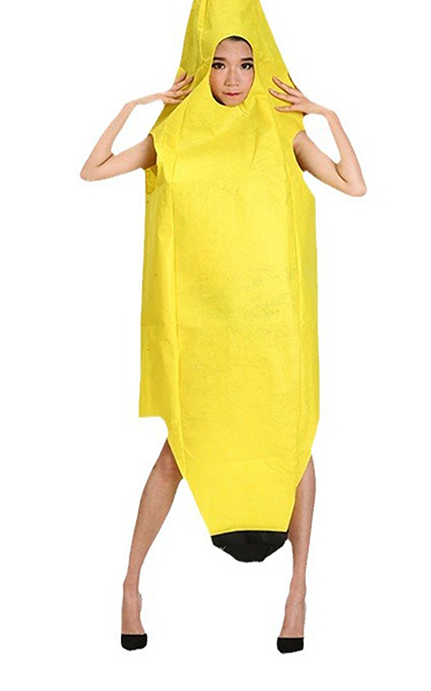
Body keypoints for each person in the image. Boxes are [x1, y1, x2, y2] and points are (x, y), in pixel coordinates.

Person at [80, 36, 366, 648]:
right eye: (218, 64)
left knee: (294, 444)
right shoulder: (174, 137)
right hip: (205, 331)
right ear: (202, 70)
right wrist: (138, 105)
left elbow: (353, 184)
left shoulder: (284, 133)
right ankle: (130, 587)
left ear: (260, 72)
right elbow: (93, 169)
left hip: (271, 325)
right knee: (177, 453)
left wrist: (327, 115)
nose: (232, 77)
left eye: (245, 65)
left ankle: (298, 591)